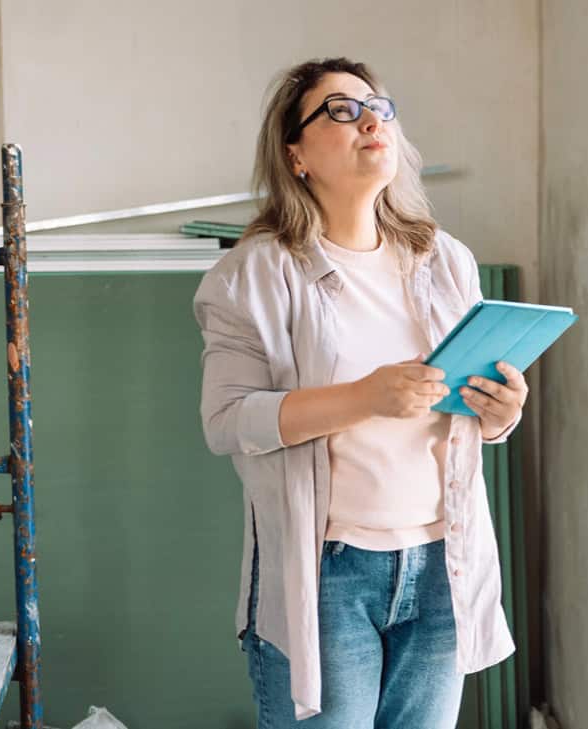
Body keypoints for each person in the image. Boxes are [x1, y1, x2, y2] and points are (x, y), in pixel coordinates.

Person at [194, 57, 527, 728]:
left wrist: (501, 413)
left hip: (441, 562)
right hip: (328, 574)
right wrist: (364, 397)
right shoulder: (252, 274)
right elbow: (227, 420)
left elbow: (466, 410)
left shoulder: (444, 260)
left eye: (379, 106)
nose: (371, 119)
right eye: (341, 110)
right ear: (296, 154)